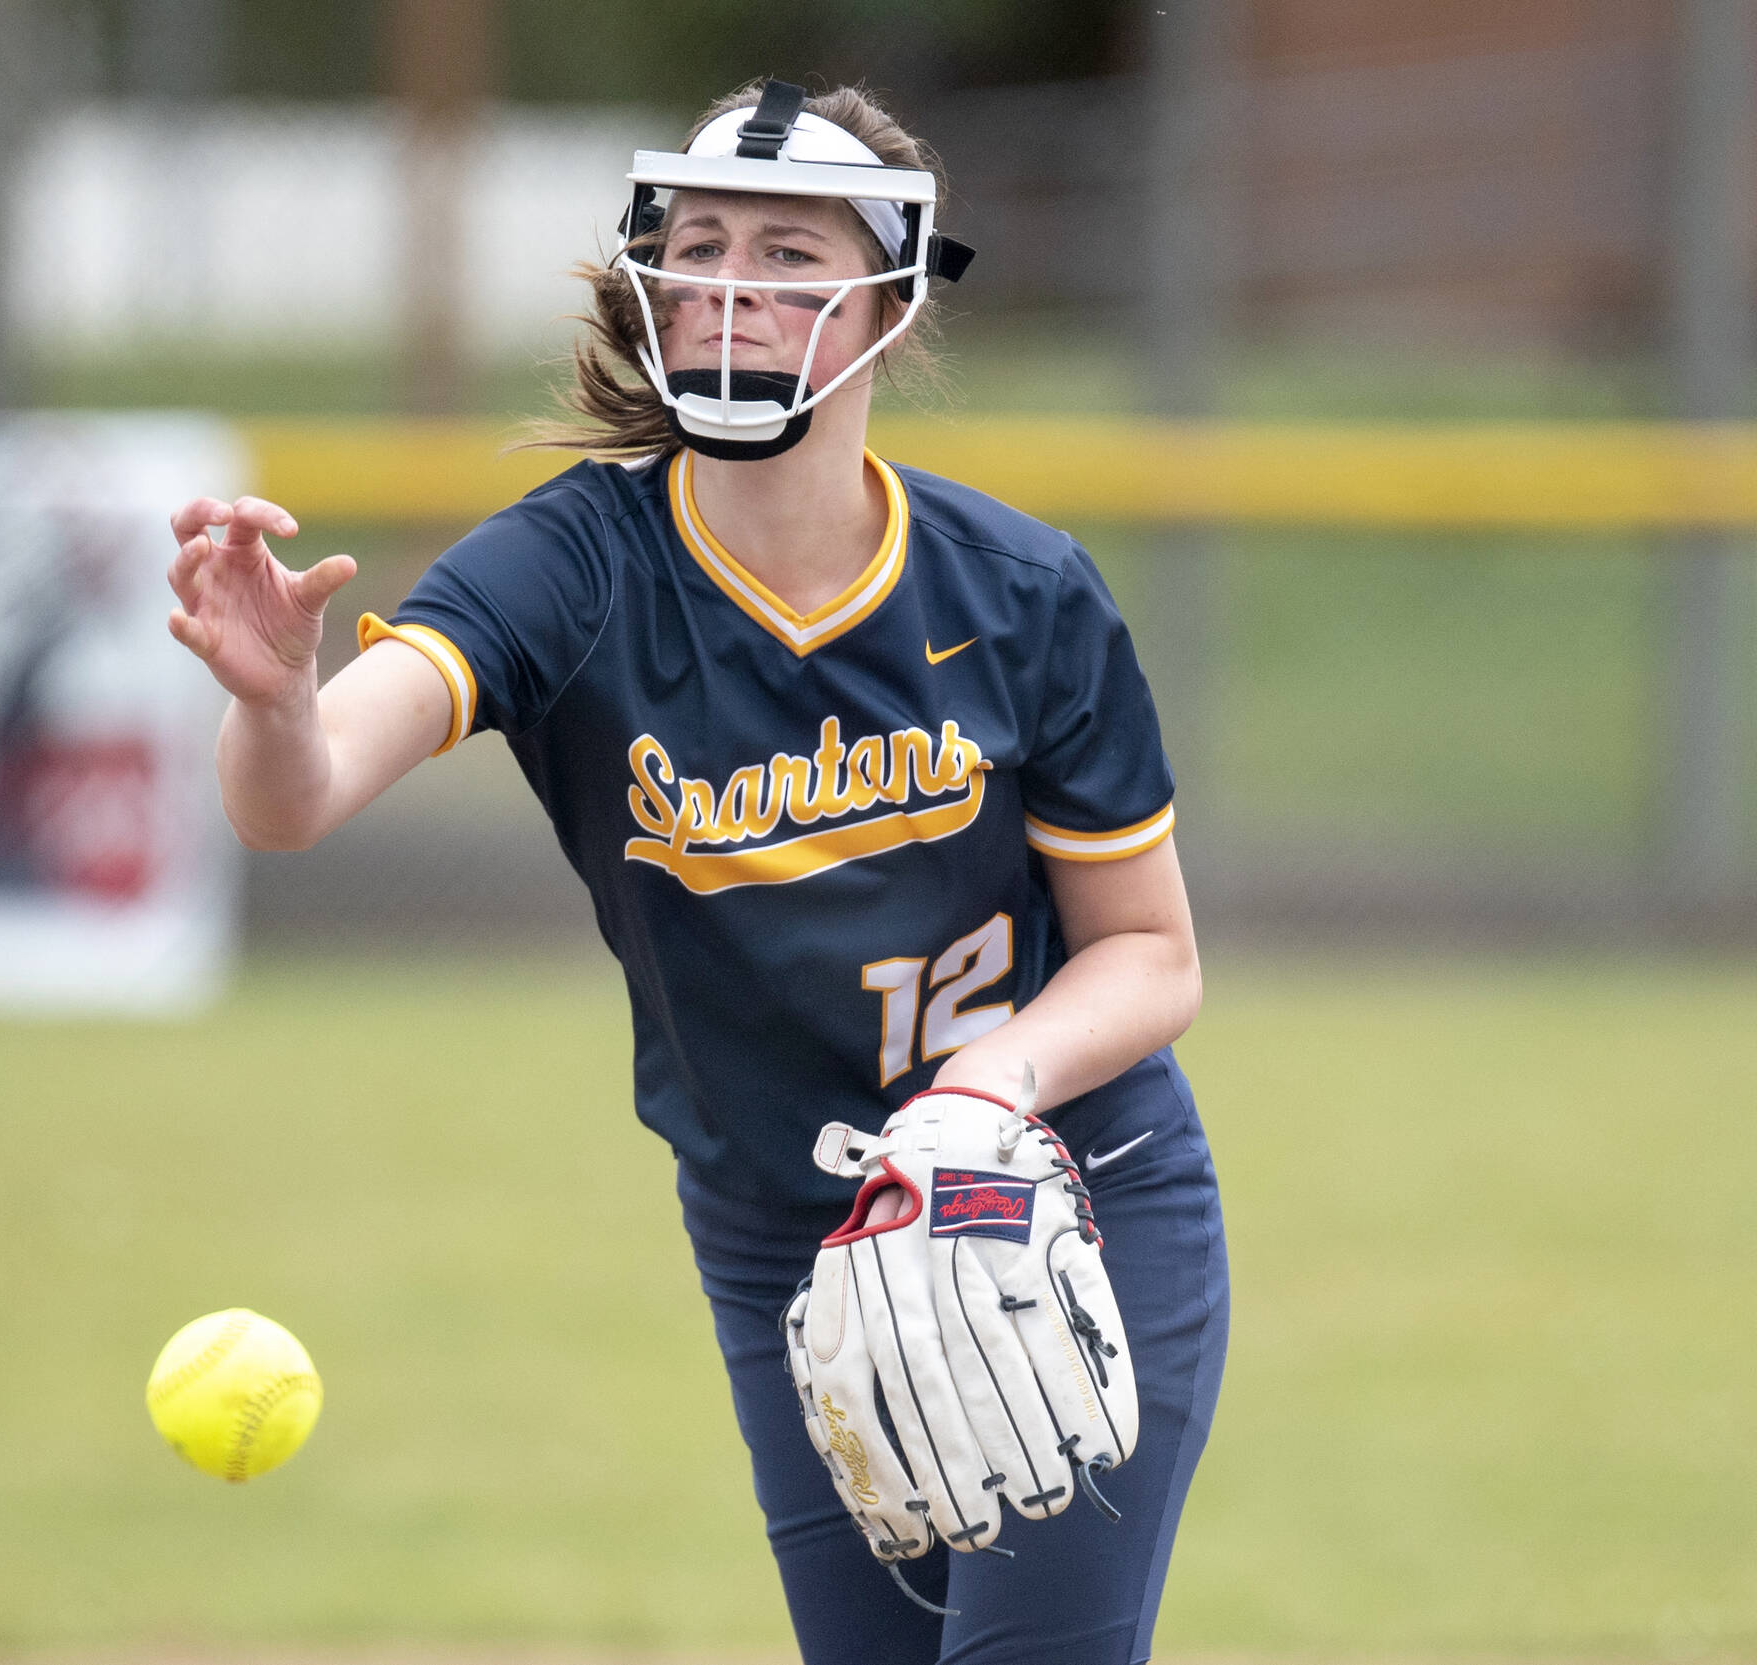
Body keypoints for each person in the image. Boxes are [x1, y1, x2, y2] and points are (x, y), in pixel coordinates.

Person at [166, 78, 1227, 1665]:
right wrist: (269, 705)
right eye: (703, 241)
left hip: (1063, 1192)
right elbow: (296, 801)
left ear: (889, 299)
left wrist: (984, 1090)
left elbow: (1153, 955)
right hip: (782, 1229)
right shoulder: (576, 562)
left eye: (791, 253)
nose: (732, 281)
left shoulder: (1017, 588)